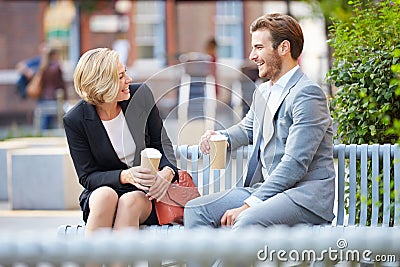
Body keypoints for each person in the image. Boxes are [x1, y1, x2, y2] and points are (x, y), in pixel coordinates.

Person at [184, 13, 335, 230]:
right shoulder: (264, 91)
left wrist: (249, 204)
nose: (252, 55)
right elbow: (248, 129)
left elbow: (294, 164)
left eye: (259, 47)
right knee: (196, 210)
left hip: (303, 196)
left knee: (246, 220)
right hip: (268, 190)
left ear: (283, 48)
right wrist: (221, 136)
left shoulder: (308, 94)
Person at [63, 48, 178, 235]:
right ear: (103, 85)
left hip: (146, 195)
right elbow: (87, 176)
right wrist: (125, 176)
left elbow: (162, 144)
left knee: (129, 201)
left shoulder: (140, 96)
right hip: (103, 191)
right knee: (104, 196)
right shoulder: (75, 120)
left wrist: (167, 172)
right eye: (121, 76)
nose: (129, 80)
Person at [36, 47, 66, 129]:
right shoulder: (56, 67)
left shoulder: (43, 67)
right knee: (56, 117)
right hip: (55, 96)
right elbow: (60, 83)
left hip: (43, 95)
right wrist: (65, 96)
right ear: (54, 55)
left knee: (44, 119)